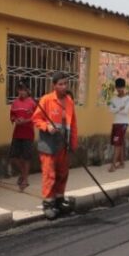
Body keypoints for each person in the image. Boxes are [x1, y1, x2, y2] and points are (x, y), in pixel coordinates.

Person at [33, 72, 78, 218]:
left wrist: (73, 143)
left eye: (66, 83)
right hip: (49, 144)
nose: (64, 86)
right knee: (49, 175)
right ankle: (48, 204)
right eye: (60, 84)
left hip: (63, 144)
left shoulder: (70, 101)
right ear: (54, 85)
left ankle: (59, 200)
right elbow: (35, 119)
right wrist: (47, 126)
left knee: (63, 173)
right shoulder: (46, 100)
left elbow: (73, 124)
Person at [9, 80, 36, 191]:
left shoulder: (33, 103)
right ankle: (23, 174)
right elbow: (12, 116)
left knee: (26, 157)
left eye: (24, 89)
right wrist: (16, 119)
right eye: (20, 89)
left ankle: (25, 179)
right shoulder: (14, 103)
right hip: (17, 133)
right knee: (14, 156)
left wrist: (26, 121)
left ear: (28, 91)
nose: (22, 92)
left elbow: (36, 118)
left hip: (28, 133)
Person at [108, 78, 129, 172]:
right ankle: (121, 163)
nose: (119, 90)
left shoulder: (128, 98)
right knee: (118, 142)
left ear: (124, 87)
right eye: (118, 88)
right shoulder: (113, 99)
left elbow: (126, 111)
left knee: (117, 143)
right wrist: (119, 108)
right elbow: (111, 110)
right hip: (116, 122)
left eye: (121, 88)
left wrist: (117, 109)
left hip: (124, 123)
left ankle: (113, 164)